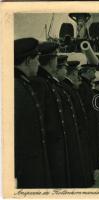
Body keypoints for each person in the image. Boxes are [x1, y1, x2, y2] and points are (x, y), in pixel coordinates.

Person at [31, 42, 71, 188]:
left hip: (57, 146)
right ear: (51, 59)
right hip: (51, 148)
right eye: (56, 58)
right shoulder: (41, 84)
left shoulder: (47, 82)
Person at [14, 38, 51, 188]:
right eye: (36, 59)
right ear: (28, 60)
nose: (38, 64)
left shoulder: (23, 84)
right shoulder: (16, 88)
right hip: (24, 172)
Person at [62, 61, 94, 186]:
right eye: (76, 74)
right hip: (77, 129)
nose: (78, 77)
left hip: (80, 128)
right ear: (73, 73)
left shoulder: (72, 87)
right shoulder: (68, 88)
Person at [78, 64, 99, 170]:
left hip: (91, 123)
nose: (95, 74)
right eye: (93, 71)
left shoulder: (87, 85)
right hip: (87, 124)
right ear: (88, 72)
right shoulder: (82, 86)